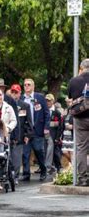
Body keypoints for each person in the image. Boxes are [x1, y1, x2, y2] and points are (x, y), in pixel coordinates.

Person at [21, 78, 50, 181]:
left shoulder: (39, 97)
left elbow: (47, 113)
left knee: (39, 151)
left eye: (29, 84)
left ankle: (43, 170)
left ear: (33, 86)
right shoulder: (21, 99)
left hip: (38, 130)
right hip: (26, 131)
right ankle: (26, 173)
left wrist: (46, 127)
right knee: (25, 153)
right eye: (25, 85)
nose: (27, 86)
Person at [67, 58, 89, 186]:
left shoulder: (74, 81)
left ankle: (83, 178)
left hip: (80, 118)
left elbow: (70, 97)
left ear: (81, 68)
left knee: (81, 148)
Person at [8, 84, 33, 184]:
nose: (14, 94)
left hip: (20, 134)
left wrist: (28, 135)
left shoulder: (25, 106)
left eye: (16, 92)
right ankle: (8, 174)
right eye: (12, 92)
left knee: (17, 157)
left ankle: (16, 176)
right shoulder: (6, 104)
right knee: (8, 156)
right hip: (9, 133)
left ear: (19, 93)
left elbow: (29, 121)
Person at [45, 94, 63, 174]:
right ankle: (48, 166)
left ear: (53, 101)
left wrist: (57, 137)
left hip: (54, 135)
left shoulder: (57, 112)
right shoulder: (44, 111)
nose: (47, 102)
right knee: (45, 150)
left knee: (55, 152)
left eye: (49, 100)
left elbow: (60, 126)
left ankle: (58, 166)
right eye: (46, 100)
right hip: (45, 134)